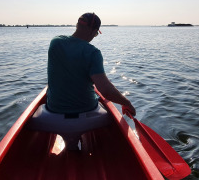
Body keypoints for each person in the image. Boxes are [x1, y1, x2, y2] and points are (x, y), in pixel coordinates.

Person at [28, 12, 136, 150]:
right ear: (93, 31)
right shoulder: (93, 52)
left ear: (78, 25)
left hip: (54, 111)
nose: (94, 37)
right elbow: (105, 90)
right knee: (107, 113)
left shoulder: (55, 42)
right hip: (86, 112)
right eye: (96, 34)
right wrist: (127, 103)